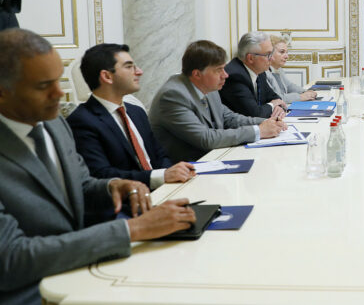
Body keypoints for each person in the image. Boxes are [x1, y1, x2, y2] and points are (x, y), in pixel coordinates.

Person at [0, 29, 195, 304]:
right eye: (44, 86)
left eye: (58, 80)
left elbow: (80, 184)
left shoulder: (54, 123)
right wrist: (133, 229)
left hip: (81, 268)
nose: (60, 93)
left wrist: (113, 186)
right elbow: (11, 259)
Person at [67, 44, 195, 191]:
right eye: (129, 67)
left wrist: (173, 176)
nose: (139, 72)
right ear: (107, 76)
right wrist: (161, 176)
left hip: (165, 191)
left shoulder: (136, 112)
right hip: (128, 200)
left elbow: (160, 155)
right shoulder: (82, 121)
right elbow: (102, 174)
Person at [149, 40, 286, 161]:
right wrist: (258, 131)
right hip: (185, 168)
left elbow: (229, 118)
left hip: (212, 157)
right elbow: (206, 138)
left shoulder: (209, 87)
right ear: (197, 74)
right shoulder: (173, 96)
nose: (225, 75)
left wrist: (268, 122)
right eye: (218, 70)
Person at [219, 32, 287, 118]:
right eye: (268, 54)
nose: (272, 58)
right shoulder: (235, 76)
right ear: (250, 58)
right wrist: (273, 105)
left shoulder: (259, 71)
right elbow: (255, 114)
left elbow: (275, 97)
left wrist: (279, 107)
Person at [266, 35, 318, 103]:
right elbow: (278, 98)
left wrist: (305, 92)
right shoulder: (264, 73)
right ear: (269, 53)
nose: (286, 56)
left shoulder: (279, 69)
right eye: (282, 52)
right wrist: (301, 97)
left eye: (287, 52)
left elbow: (289, 86)